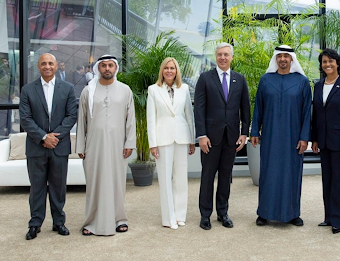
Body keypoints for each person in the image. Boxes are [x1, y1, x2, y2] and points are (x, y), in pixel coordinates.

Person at [250, 45, 312, 227]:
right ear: (275, 59)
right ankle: (264, 213)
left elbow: (307, 112)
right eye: (280, 56)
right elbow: (258, 108)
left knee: (292, 173)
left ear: (292, 59)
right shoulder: (265, 80)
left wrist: (304, 138)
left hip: (293, 138)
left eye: (286, 56)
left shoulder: (302, 82)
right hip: (270, 136)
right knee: (268, 173)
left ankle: (292, 213)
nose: (283, 59)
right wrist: (255, 131)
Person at [76, 55, 136, 236]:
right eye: (104, 66)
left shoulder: (125, 90)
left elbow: (130, 119)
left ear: (115, 68)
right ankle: (91, 221)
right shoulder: (88, 91)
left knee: (117, 183)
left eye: (110, 65)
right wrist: (80, 146)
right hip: (94, 145)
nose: (107, 69)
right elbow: (82, 120)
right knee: (94, 183)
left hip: (118, 145)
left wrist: (130, 142)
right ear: (98, 69)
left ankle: (120, 219)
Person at [19, 53, 77, 240]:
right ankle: (35, 224)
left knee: (58, 187)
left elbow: (71, 116)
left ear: (56, 65)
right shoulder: (28, 90)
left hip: (59, 147)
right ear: (38, 66)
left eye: (50, 63)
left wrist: (55, 137)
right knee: (37, 188)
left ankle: (58, 222)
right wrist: (44, 137)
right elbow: (25, 119)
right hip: (36, 147)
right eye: (43, 63)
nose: (47, 66)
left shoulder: (67, 88)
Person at [194, 42, 250, 230]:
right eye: (219, 55)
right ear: (215, 57)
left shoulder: (240, 79)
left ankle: (223, 213)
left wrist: (244, 133)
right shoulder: (205, 78)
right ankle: (205, 215)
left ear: (231, 57)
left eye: (226, 54)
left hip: (231, 138)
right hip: (209, 138)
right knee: (208, 176)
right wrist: (201, 135)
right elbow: (199, 109)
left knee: (226, 177)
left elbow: (245, 109)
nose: (223, 58)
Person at [311, 49, 340, 234]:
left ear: (337, 63)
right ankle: (329, 216)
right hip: (323, 141)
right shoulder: (318, 85)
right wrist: (314, 138)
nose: (327, 64)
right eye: (324, 62)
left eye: (330, 61)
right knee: (328, 180)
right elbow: (316, 115)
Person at [147, 57, 195, 230]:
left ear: (176, 71)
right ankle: (169, 218)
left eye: (172, 68)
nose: (169, 71)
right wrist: (152, 143)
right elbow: (150, 118)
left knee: (181, 178)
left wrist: (192, 140)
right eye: (166, 68)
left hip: (182, 137)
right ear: (162, 71)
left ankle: (180, 215)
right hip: (162, 139)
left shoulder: (184, 89)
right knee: (165, 179)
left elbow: (189, 116)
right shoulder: (153, 90)